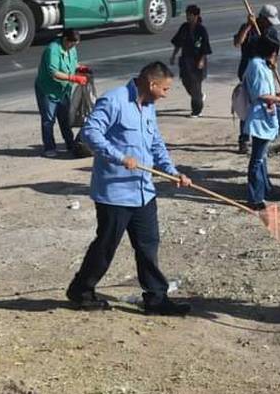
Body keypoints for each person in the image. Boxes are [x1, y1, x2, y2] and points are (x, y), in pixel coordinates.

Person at [66, 62, 193, 316]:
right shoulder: (115, 100)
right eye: (165, 89)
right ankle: (81, 290)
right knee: (105, 246)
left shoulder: (148, 107)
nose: (166, 94)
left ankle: (156, 299)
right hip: (115, 193)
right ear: (151, 83)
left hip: (143, 191)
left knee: (148, 245)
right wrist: (119, 156)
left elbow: (156, 143)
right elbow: (90, 133)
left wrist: (171, 171)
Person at [243, 36, 280, 210]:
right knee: (257, 159)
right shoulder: (256, 65)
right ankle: (254, 197)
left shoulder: (262, 65)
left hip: (265, 116)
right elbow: (261, 94)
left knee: (262, 157)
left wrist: (277, 97)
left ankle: (265, 189)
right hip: (259, 118)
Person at [234, 4, 280, 154]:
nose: (270, 24)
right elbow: (238, 42)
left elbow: (275, 51)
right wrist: (248, 26)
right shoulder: (249, 28)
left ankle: (263, 136)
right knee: (247, 104)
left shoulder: (271, 31)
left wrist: (274, 62)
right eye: (268, 21)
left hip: (264, 71)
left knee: (264, 105)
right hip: (247, 71)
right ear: (261, 18)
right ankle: (244, 139)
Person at [34, 29, 88, 158]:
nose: (73, 47)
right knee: (49, 120)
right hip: (48, 90)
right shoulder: (52, 50)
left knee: (65, 119)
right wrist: (74, 78)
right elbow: (54, 73)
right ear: (65, 40)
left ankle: (70, 143)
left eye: (75, 44)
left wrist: (80, 68)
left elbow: (72, 64)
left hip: (63, 91)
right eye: (72, 44)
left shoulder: (72, 49)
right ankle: (49, 147)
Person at [170, 4, 211, 118]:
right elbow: (178, 42)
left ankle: (196, 111)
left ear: (196, 16)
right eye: (187, 15)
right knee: (186, 82)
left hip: (197, 61)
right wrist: (173, 55)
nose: (188, 17)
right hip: (185, 61)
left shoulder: (201, 30)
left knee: (195, 85)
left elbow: (205, 47)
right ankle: (198, 96)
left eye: (191, 15)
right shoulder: (184, 27)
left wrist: (202, 60)